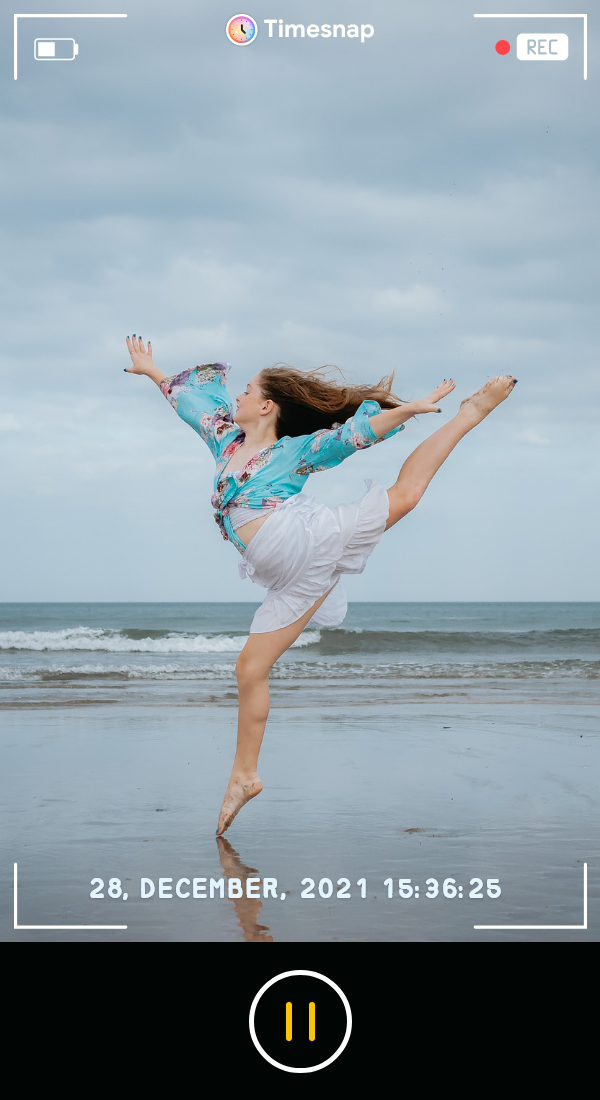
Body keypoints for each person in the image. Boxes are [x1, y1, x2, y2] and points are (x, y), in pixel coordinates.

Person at [125, 335, 517, 834]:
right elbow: (187, 403)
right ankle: (244, 776)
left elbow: (353, 437)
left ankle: (469, 414)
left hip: (308, 541)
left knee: (407, 495)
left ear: (266, 405)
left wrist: (410, 410)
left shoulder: (295, 451)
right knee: (249, 670)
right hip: (284, 579)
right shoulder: (223, 438)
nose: (237, 397)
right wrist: (153, 369)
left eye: (246, 390)